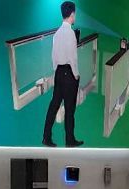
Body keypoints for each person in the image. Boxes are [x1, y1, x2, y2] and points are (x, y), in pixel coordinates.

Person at [43, 1, 84, 148]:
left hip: (59, 73)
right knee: (69, 109)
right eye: (74, 14)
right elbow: (73, 57)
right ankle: (69, 141)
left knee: (54, 106)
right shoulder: (70, 33)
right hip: (69, 74)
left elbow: (53, 56)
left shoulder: (57, 33)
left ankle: (46, 137)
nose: (75, 16)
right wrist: (76, 74)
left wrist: (57, 70)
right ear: (72, 14)